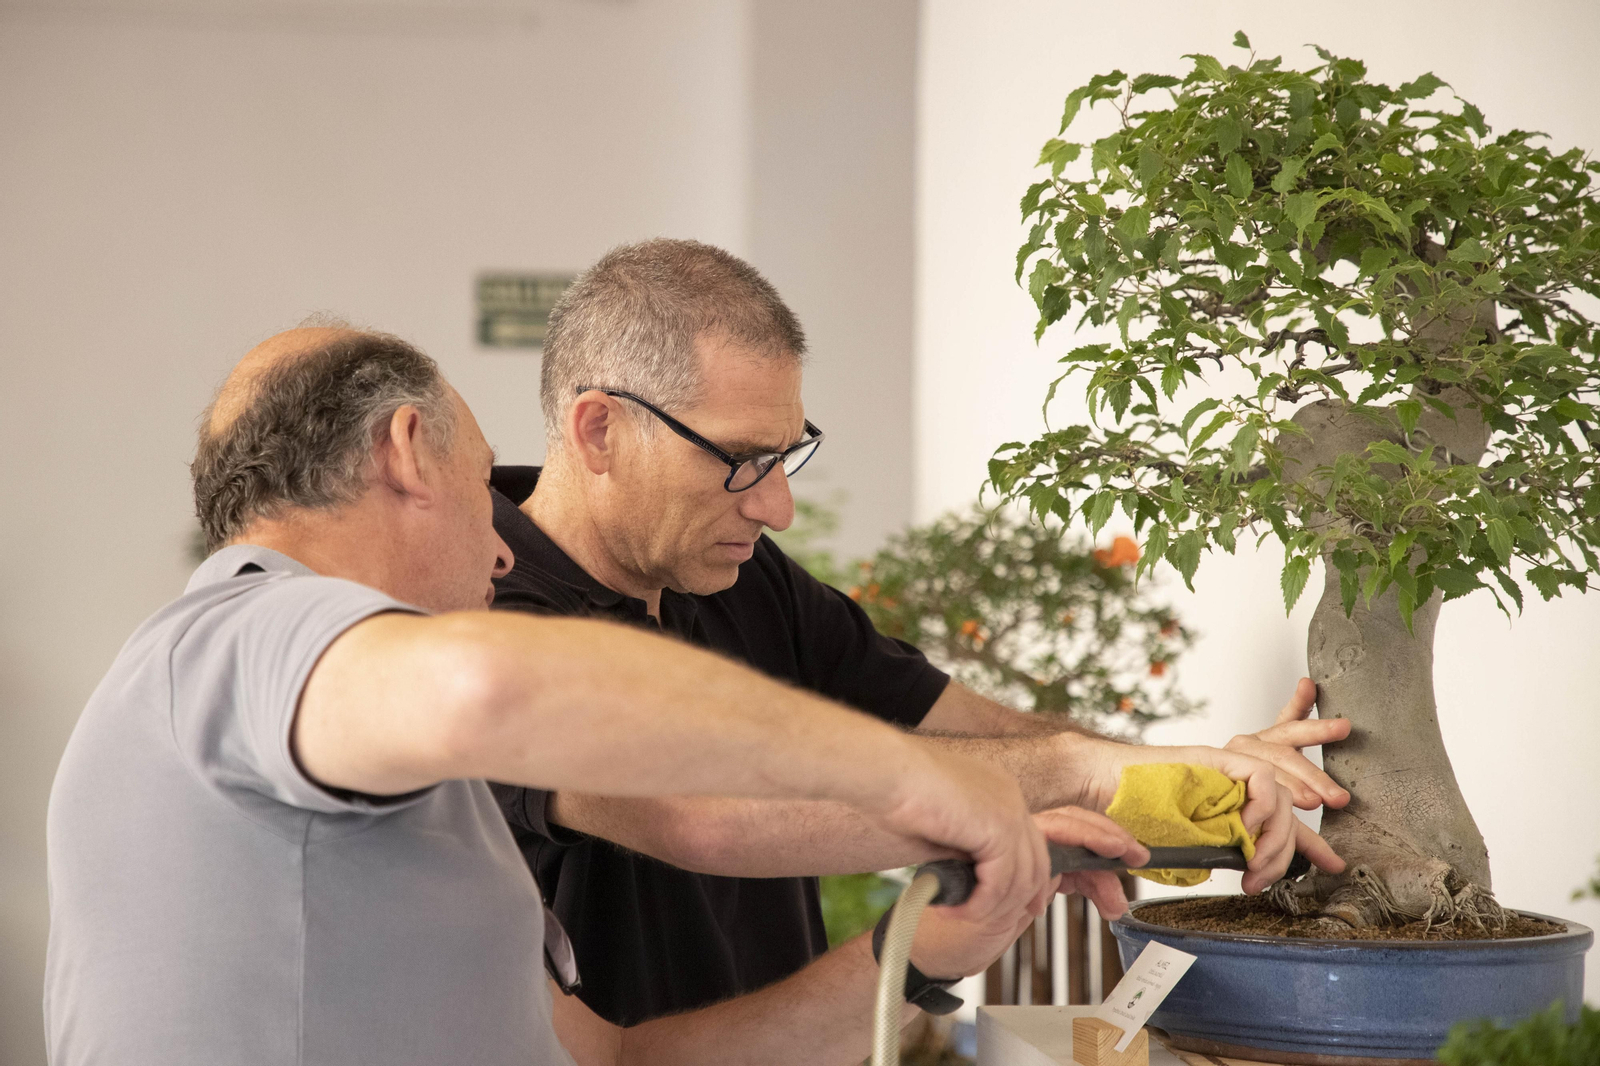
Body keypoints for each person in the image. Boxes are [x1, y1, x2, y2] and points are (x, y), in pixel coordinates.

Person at [44, 325, 1115, 1066]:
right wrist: (912, 779)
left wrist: (913, 957)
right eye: (484, 488)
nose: (503, 561)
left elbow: (620, 1055)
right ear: (409, 454)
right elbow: (487, 681)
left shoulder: (391, 778)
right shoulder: (241, 633)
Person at [487, 238, 1354, 1027]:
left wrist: (1184, 774)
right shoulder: (486, 620)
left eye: (788, 455)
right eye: (740, 461)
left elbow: (969, 730)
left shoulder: (739, 578)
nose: (776, 505)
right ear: (599, 429)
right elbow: (709, 805)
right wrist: (1068, 778)